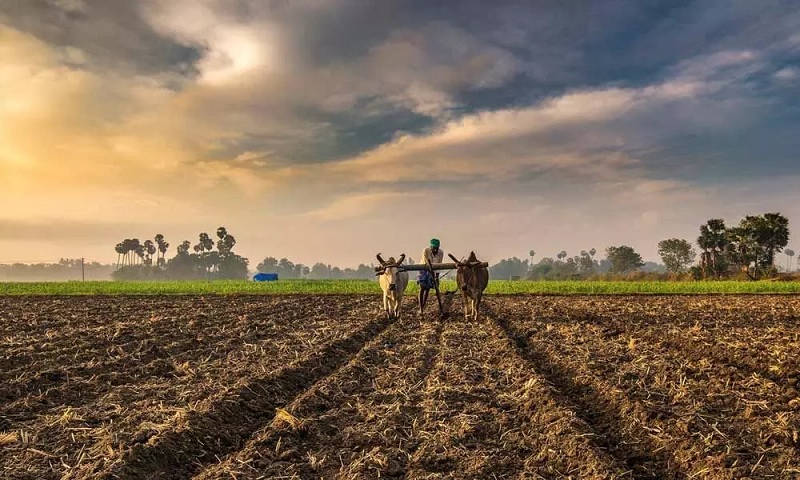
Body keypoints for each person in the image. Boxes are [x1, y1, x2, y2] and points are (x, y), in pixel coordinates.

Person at [418, 238, 444, 313]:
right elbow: (426, 262)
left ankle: (423, 305)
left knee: (427, 289)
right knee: (422, 288)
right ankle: (421, 308)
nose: (435, 250)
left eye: (437, 248)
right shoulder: (426, 251)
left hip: (434, 270)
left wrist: (437, 277)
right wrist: (430, 271)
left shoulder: (441, 253)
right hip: (424, 269)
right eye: (434, 248)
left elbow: (439, 264)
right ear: (431, 247)